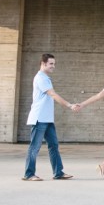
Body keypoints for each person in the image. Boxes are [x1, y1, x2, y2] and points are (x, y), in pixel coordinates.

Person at [22, 53, 75, 181]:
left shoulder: (46, 78)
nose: (53, 66)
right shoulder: (41, 78)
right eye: (51, 64)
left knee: (53, 145)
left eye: (54, 64)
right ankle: (28, 174)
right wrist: (69, 105)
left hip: (47, 119)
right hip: (39, 118)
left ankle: (58, 172)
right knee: (35, 146)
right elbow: (53, 94)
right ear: (43, 63)